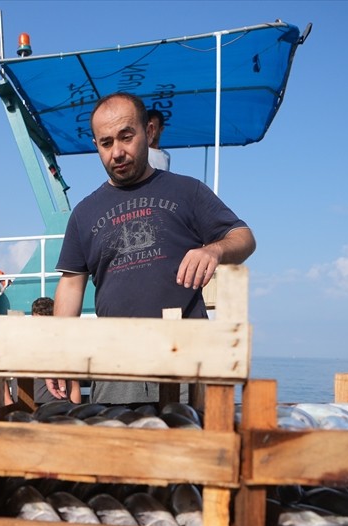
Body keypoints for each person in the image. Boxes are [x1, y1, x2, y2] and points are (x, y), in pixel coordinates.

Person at [47, 92, 255, 404]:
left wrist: (214, 251)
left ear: (149, 132)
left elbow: (244, 238)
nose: (117, 152)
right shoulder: (84, 212)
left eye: (126, 137)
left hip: (186, 358)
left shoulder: (187, 190)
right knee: (118, 447)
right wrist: (58, 351)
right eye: (106, 143)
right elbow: (71, 284)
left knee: (191, 446)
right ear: (96, 146)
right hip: (114, 366)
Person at [28, 296, 80, 405]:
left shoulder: (63, 347)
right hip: (29, 408)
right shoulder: (24, 346)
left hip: (58, 407)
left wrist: (75, 413)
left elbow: (73, 385)